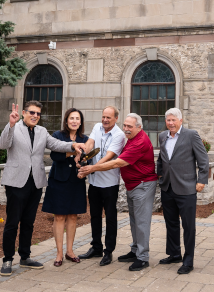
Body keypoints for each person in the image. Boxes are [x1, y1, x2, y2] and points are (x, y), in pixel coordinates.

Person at [0, 101, 87, 276]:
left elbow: (55, 145)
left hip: (36, 182)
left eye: (38, 113)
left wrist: (73, 145)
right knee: (12, 223)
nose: (35, 116)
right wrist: (11, 124)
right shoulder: (14, 127)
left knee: (29, 222)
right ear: (23, 113)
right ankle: (8, 259)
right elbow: (2, 144)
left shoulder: (42, 131)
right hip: (16, 182)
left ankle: (25, 256)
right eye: (32, 112)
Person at [79, 113, 157, 271]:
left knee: (141, 222)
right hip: (133, 185)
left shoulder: (140, 142)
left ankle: (142, 257)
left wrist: (91, 168)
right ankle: (135, 251)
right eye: (125, 126)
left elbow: (117, 163)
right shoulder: (132, 138)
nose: (126, 129)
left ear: (139, 127)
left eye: (130, 126)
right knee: (135, 221)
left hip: (142, 185)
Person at [157, 108, 209, 274]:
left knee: (188, 226)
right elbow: (162, 159)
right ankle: (174, 254)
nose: (171, 123)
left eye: (173, 120)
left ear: (180, 120)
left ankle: (188, 261)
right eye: (168, 120)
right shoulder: (162, 136)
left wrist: (201, 180)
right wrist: (159, 177)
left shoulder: (191, 135)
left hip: (186, 188)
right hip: (167, 187)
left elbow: (203, 159)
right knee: (171, 223)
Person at [77, 106, 127, 266]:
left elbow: (109, 157)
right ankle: (96, 247)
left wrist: (90, 169)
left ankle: (108, 251)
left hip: (110, 184)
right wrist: (84, 152)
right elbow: (90, 142)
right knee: (95, 216)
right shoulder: (98, 127)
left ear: (116, 119)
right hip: (94, 183)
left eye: (108, 118)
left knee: (111, 218)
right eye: (103, 116)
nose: (105, 120)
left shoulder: (119, 135)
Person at [42, 108, 89, 267]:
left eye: (77, 118)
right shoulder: (57, 135)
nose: (74, 121)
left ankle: (70, 251)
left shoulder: (85, 138)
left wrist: (82, 163)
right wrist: (71, 152)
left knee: (73, 216)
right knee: (60, 216)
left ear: (81, 122)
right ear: (66, 120)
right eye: (71, 118)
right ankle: (59, 253)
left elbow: (87, 157)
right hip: (59, 180)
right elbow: (54, 156)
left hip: (76, 181)